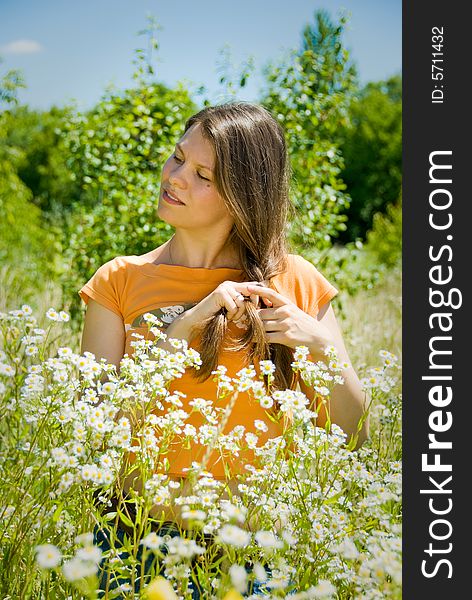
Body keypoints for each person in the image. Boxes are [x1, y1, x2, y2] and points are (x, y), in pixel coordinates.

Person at [79, 101, 368, 597]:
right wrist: (182, 333)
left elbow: (354, 436)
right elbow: (92, 434)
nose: (175, 177)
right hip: (134, 546)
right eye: (176, 158)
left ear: (242, 194)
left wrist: (319, 344)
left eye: (202, 174)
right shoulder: (118, 280)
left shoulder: (294, 281)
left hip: (253, 557)